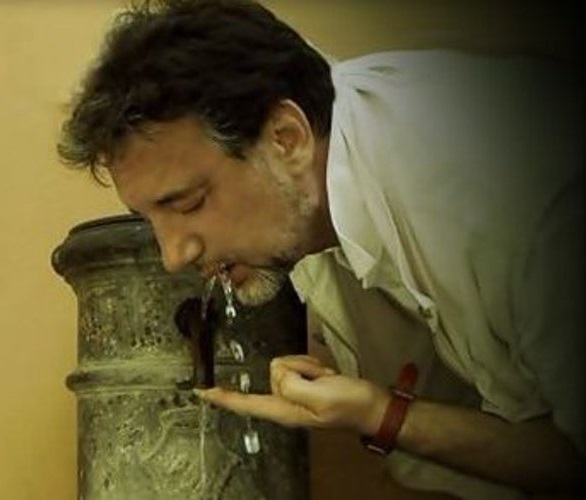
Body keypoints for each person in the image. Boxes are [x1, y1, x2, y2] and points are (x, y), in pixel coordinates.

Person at [57, 0, 585, 498]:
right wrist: (373, 409)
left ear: (286, 138)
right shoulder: (317, 170)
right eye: (150, 220)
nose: (174, 256)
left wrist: (382, 416)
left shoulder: (522, 196)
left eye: (190, 203)